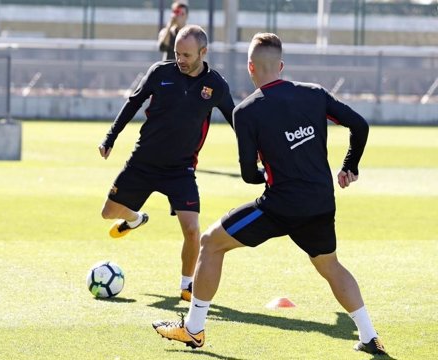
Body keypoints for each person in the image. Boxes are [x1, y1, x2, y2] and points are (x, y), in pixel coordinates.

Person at [152, 33, 387, 356]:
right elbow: (359, 125)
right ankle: (369, 335)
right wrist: (350, 165)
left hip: (279, 206)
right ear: (281, 65)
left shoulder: (246, 112)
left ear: (251, 67)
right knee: (330, 265)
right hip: (320, 203)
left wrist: (270, 172)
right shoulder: (314, 94)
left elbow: (249, 175)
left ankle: (193, 330)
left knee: (210, 242)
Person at [99, 25, 235, 302]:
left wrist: (255, 149)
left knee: (192, 229)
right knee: (108, 213)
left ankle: (187, 286)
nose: (180, 60)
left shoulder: (216, 85)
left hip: (180, 169)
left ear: (203, 52)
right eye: (177, 53)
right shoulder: (160, 72)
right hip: (144, 161)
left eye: (186, 54)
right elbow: (133, 103)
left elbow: (236, 118)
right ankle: (135, 219)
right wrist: (110, 137)